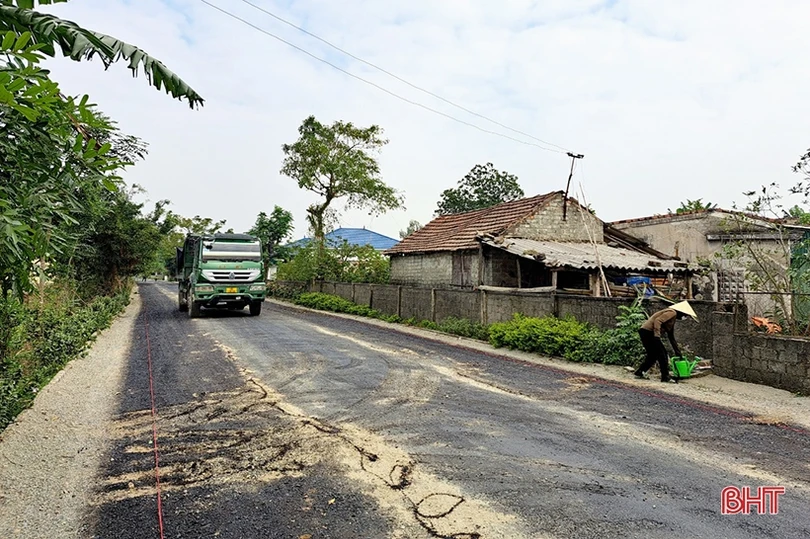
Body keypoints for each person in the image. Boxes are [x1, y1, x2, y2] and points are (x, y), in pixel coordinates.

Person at [634, 301, 698, 383]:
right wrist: (657, 336)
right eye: (686, 315)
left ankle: (640, 372)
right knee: (662, 354)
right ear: (682, 312)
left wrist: (678, 352)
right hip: (648, 332)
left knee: (653, 355)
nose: (685, 317)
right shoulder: (672, 312)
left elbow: (671, 337)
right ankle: (665, 377)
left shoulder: (672, 319)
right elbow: (658, 321)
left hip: (646, 332)